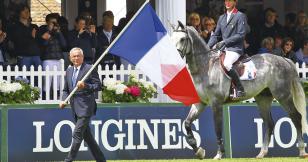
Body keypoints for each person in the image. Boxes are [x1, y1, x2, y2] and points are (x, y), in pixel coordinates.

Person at [59, 47, 106, 162]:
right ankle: (101, 160)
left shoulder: (89, 69)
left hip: (86, 107)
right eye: (73, 56)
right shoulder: (69, 70)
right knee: (88, 137)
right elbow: (66, 90)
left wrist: (85, 85)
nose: (76, 58)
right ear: (70, 58)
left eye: (78, 56)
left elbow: (98, 86)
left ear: (82, 57)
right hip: (75, 108)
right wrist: (64, 100)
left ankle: (68, 160)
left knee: (77, 133)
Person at [208, 0, 248, 98]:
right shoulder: (221, 18)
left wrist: (225, 42)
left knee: (227, 63)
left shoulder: (240, 16)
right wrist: (207, 46)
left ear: (235, 2)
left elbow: (241, 34)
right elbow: (216, 35)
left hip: (235, 49)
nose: (227, 3)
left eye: (230, 1)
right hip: (223, 49)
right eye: (226, 1)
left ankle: (240, 88)